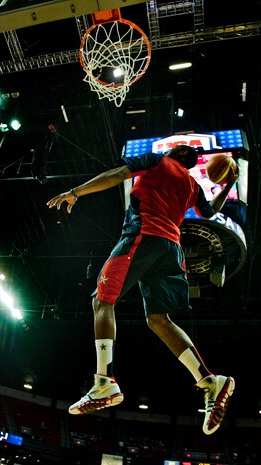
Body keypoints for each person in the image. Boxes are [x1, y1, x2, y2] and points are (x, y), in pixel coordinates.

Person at [47, 144, 238, 435]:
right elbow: (211, 213)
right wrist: (229, 184)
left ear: (174, 155)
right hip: (172, 251)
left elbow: (117, 174)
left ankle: (104, 383)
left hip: (143, 235)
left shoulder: (157, 161)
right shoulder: (192, 185)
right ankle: (210, 381)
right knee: (159, 320)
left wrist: (76, 192)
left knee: (102, 301)